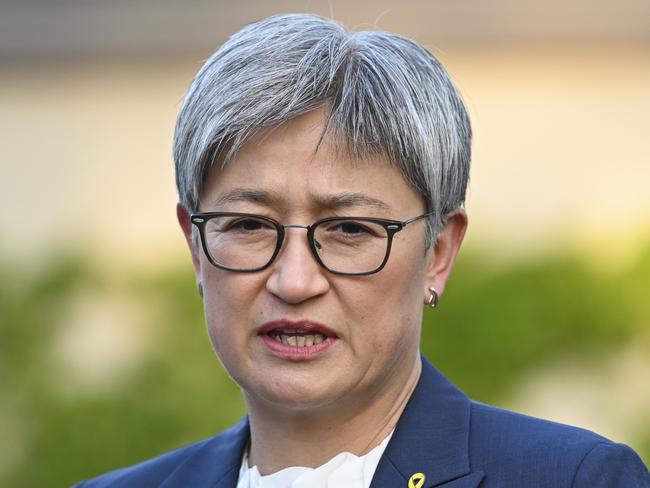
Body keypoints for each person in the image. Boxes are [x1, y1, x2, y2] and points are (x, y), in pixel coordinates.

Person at [76, 13, 650, 488]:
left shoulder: (572, 478)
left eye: (349, 230)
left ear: (439, 253)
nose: (295, 281)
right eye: (249, 223)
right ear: (196, 247)